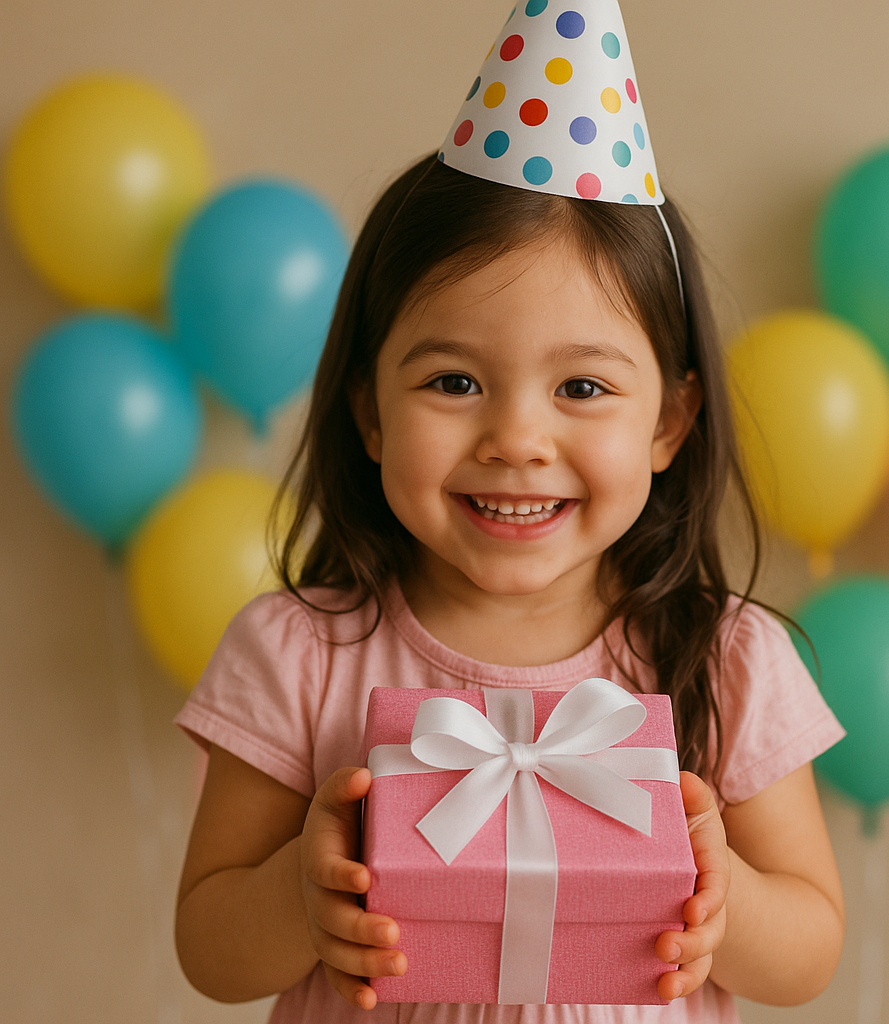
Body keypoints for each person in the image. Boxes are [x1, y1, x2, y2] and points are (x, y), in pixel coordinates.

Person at [174, 3, 846, 1022]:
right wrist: (297, 897)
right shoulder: (298, 652)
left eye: (581, 389)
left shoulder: (725, 656)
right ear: (367, 409)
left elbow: (806, 954)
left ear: (670, 421)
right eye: (453, 382)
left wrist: (730, 903)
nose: (516, 441)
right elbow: (211, 949)